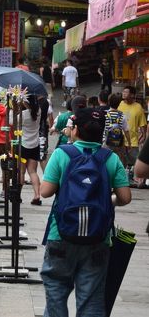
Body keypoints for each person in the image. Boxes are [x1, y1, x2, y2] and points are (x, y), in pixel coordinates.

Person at [40, 108, 131, 317]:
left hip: (60, 233)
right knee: (91, 299)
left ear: (76, 130)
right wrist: (108, 200)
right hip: (98, 237)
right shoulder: (110, 158)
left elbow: (45, 192)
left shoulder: (62, 153)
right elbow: (125, 197)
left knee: (56, 292)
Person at [11, 95, 42, 205]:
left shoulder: (23, 115)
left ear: (26, 103)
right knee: (33, 171)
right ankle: (37, 195)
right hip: (35, 145)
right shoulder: (39, 111)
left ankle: (18, 196)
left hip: (23, 146)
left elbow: (11, 121)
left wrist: (16, 107)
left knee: (22, 172)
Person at [118, 86, 147, 185]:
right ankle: (122, 182)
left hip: (133, 141)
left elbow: (143, 124)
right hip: (119, 141)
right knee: (121, 163)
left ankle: (138, 181)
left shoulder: (138, 107)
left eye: (126, 92)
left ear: (132, 95)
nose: (124, 93)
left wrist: (143, 136)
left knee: (135, 163)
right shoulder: (119, 104)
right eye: (123, 92)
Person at [103, 93, 130, 164]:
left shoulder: (104, 114)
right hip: (119, 144)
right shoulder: (122, 116)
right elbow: (126, 131)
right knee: (119, 162)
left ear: (109, 102)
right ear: (119, 103)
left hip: (106, 143)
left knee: (106, 162)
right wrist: (129, 143)